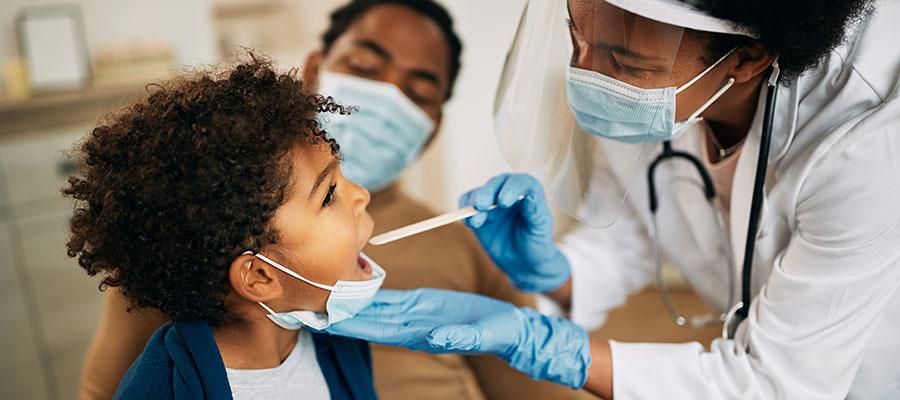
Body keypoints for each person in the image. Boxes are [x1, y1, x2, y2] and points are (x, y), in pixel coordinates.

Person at [318, 0, 900, 399]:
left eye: (623, 62)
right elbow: (638, 233)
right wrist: (556, 275)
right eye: (578, 38)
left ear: (747, 59)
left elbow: (777, 384)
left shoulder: (866, 141)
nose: (588, 76)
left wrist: (548, 347)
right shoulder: (647, 73)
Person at [77, 1, 583, 399]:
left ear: (433, 127)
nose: (387, 97)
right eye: (364, 65)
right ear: (315, 70)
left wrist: (550, 306)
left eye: (419, 91)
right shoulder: (185, 233)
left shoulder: (471, 242)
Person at [65, 56, 379, 399]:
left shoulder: (341, 343)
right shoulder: (159, 392)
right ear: (259, 276)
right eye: (328, 195)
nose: (361, 195)